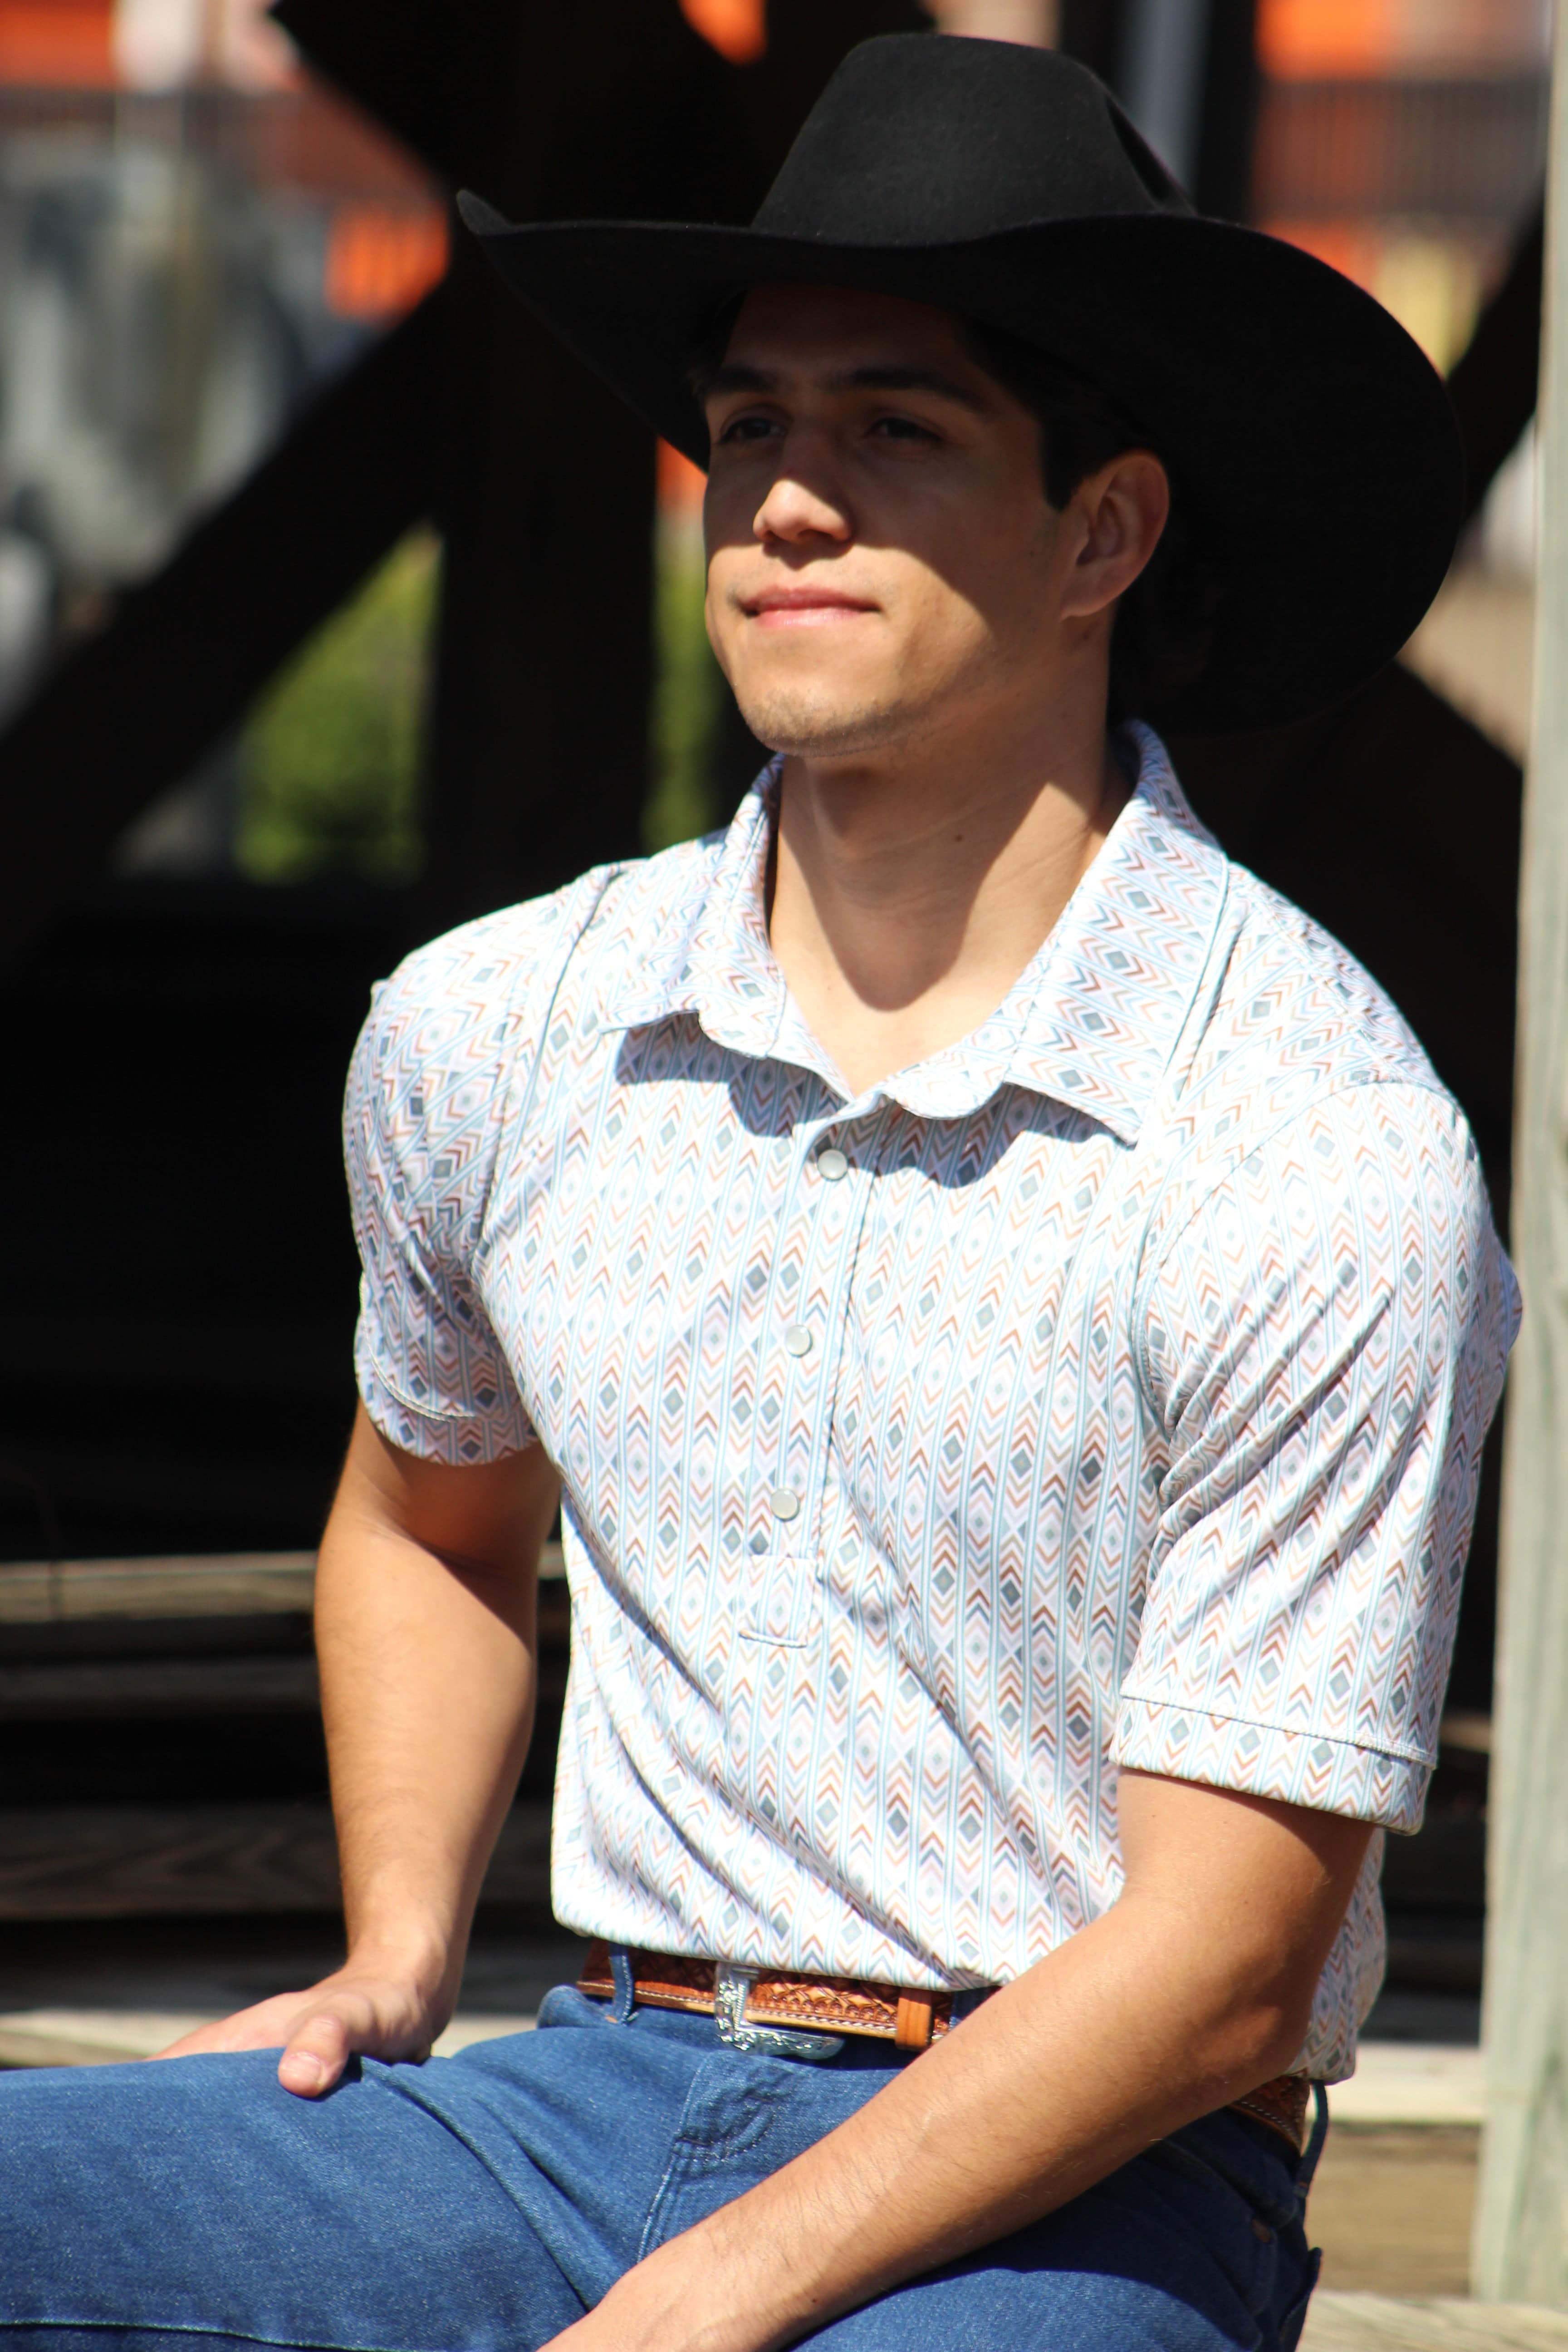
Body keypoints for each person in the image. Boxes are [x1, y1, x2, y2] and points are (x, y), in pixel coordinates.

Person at [0, 33, 1517, 2352]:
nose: (789, 499)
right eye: (752, 430)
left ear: (1105, 530)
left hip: (1092, 2186)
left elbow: (1227, 1972)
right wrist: (401, 1953)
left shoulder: (1316, 1150)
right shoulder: (497, 1028)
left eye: (895, 431)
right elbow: (428, 1514)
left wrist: (706, 2304)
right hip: (584, 2090)